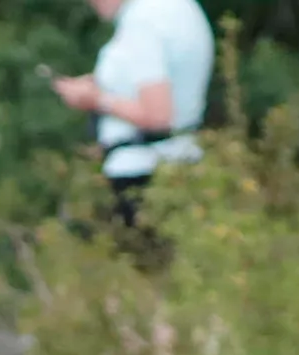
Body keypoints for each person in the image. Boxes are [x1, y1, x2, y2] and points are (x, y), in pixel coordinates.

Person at [55, 0, 214, 210]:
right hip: (181, 163)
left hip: (140, 176)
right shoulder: (182, 8)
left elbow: (158, 116)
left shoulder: (143, 21)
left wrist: (95, 99)